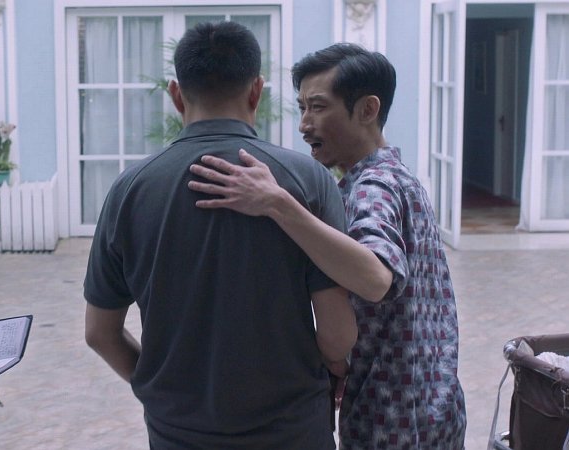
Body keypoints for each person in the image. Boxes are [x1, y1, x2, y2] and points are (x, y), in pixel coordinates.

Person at [83, 22, 357, 449]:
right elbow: (337, 336)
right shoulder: (307, 180)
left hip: (177, 433)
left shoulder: (129, 190)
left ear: (176, 95)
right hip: (293, 430)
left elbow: (100, 333)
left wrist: (159, 391)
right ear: (256, 91)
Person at [188, 43, 467, 449]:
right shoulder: (399, 177)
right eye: (302, 107)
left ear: (367, 110)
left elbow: (375, 278)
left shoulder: (373, 188)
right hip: (436, 408)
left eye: (318, 107)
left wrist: (277, 203)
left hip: (391, 423)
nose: (304, 124)